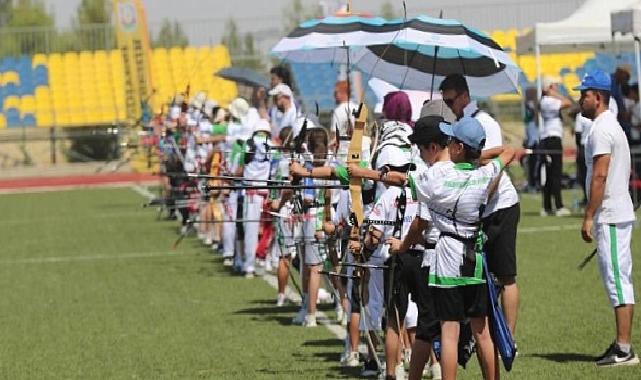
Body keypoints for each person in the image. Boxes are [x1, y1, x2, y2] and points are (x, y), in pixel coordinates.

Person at [439, 74, 521, 338]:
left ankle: (508, 337)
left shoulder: (484, 122)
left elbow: (497, 163)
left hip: (500, 206)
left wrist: (482, 199)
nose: (449, 105)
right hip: (480, 208)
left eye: (451, 100)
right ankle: (482, 331)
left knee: (505, 275)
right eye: (445, 101)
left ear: (464, 95)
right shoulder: (460, 124)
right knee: (484, 275)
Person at [576, 70, 638, 366]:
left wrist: (589, 216)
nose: (580, 99)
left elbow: (600, 175)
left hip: (611, 214)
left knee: (618, 280)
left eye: (583, 94)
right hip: (614, 212)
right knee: (616, 278)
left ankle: (625, 349)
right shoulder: (605, 125)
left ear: (597, 97)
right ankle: (621, 344)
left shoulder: (602, 129)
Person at [242, 119, 274, 278]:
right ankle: (266, 261)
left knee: (251, 230)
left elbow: (244, 162)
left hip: (251, 193)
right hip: (266, 193)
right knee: (269, 230)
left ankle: (249, 266)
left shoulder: (249, 143)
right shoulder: (272, 144)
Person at [538, 76, 573, 216]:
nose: (557, 88)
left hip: (550, 138)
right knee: (555, 173)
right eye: (554, 86)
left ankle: (547, 206)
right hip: (551, 139)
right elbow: (567, 102)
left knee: (551, 173)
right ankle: (558, 206)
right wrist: (554, 94)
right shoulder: (548, 101)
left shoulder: (547, 101)